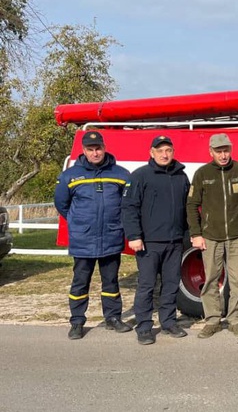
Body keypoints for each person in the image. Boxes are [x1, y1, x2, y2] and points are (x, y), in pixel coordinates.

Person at [54, 131, 133, 340]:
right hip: (83, 240)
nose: (95, 153)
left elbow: (128, 204)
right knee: (80, 283)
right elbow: (62, 204)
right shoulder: (70, 176)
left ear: (104, 148)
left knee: (111, 282)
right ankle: (77, 322)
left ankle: (113, 318)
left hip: (111, 237)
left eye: (98, 148)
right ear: (84, 151)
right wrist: (78, 222)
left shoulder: (121, 174)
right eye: (90, 149)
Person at [122, 135, 191, 345]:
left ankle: (168, 322)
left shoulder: (181, 176)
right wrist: (134, 236)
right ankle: (144, 326)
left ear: (173, 152)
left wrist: (187, 233)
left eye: (168, 150)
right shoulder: (140, 175)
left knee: (171, 284)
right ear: (151, 153)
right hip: (149, 243)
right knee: (147, 285)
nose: (164, 154)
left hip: (174, 241)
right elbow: (129, 207)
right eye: (160, 151)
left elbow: (187, 207)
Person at [187, 133, 238, 339]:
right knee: (211, 279)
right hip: (210, 236)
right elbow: (192, 205)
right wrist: (196, 233)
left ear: (230, 150)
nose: (223, 155)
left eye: (226, 150)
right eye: (219, 151)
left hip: (237, 235)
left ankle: (235, 320)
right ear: (211, 152)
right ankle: (212, 320)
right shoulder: (202, 173)